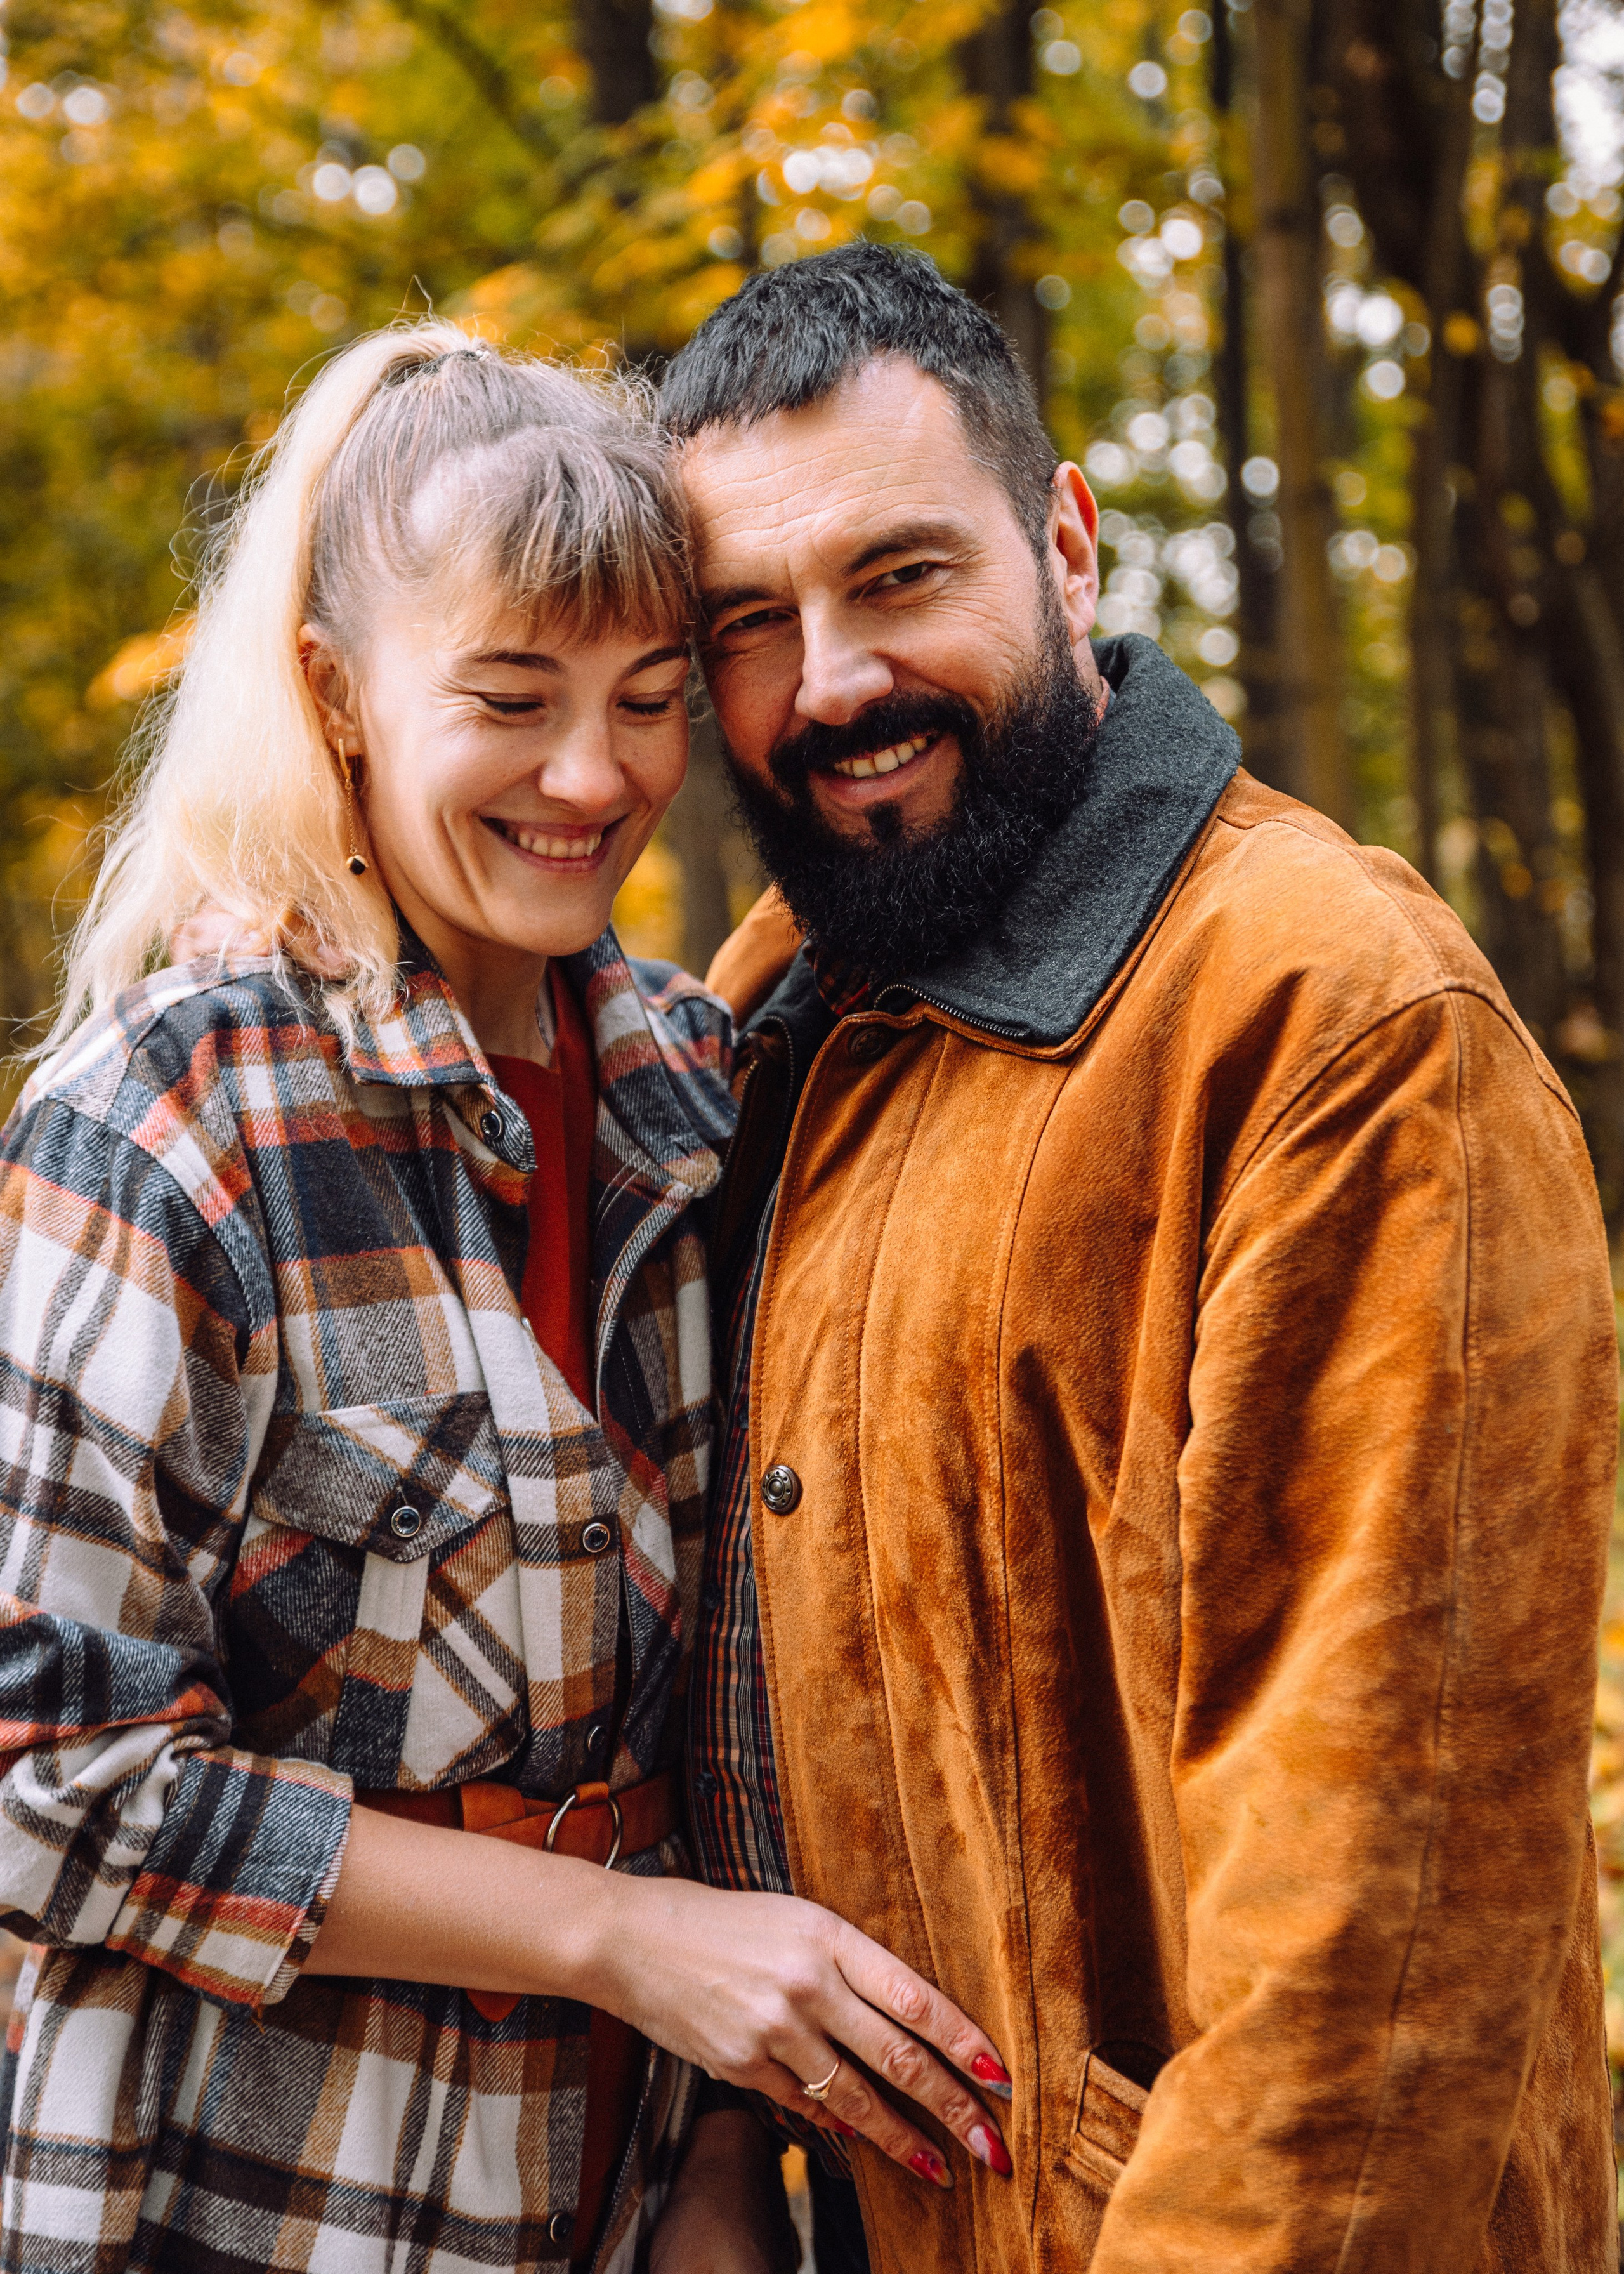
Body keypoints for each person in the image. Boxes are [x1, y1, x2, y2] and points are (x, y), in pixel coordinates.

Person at [0, 318, 1018, 2274]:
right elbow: (45, 1779)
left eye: (650, 699)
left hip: (618, 2198)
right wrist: (624, 1941)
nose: (591, 775)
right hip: (249, 2200)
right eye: (510, 697)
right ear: (341, 697)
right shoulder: (165, 1124)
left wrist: (717, 2159)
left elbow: (729, 1689)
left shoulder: (700, 1092)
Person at [662, 242, 1619, 2271]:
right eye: (753, 622)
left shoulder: (1337, 1024)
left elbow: (1378, 1958)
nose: (829, 683)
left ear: (1068, 544)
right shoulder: (773, 1009)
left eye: (900, 576)